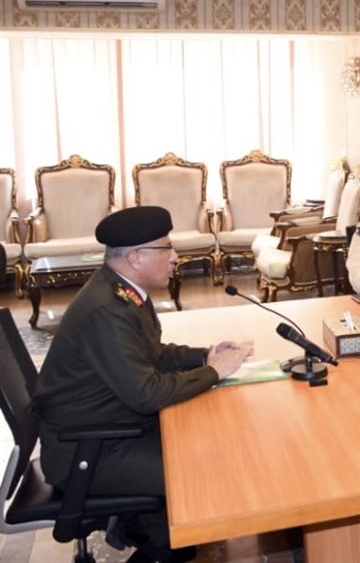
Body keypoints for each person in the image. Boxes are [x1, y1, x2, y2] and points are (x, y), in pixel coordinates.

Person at [32, 207, 252, 563]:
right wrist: (214, 372)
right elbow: (147, 394)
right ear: (136, 257)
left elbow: (151, 354)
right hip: (87, 452)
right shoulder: (109, 309)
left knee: (208, 439)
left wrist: (204, 356)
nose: (175, 257)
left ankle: (153, 533)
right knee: (202, 470)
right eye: (166, 248)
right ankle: (160, 548)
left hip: (111, 430)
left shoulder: (121, 291)